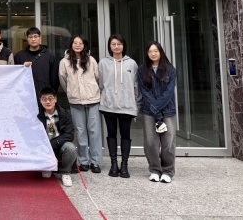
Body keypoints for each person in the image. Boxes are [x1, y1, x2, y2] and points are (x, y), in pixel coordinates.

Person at [59, 34, 102, 173]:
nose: (77, 45)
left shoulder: (91, 60)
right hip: (76, 101)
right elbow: (63, 80)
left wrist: (92, 90)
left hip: (93, 99)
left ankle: (95, 161)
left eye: (80, 43)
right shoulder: (65, 62)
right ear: (71, 44)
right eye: (75, 43)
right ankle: (83, 161)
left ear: (84, 45)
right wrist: (71, 92)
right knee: (80, 131)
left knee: (94, 131)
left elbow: (97, 78)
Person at [99, 34, 140, 178]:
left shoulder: (132, 63)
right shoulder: (103, 63)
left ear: (124, 45)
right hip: (109, 105)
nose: (116, 46)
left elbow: (136, 86)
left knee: (125, 135)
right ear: (109, 46)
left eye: (119, 44)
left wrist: (136, 105)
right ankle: (113, 164)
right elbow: (101, 84)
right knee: (111, 134)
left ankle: (124, 165)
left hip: (127, 106)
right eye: (113, 44)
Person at [138, 41, 177, 183]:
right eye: (150, 51)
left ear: (160, 52)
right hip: (149, 110)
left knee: (168, 142)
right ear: (147, 54)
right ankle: (154, 170)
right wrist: (154, 107)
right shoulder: (142, 70)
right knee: (150, 142)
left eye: (155, 51)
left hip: (167, 110)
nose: (153, 54)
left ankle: (168, 171)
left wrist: (157, 107)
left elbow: (169, 92)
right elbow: (144, 91)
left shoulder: (170, 69)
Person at [37, 87, 76, 187]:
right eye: (44, 99)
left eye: (50, 98)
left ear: (55, 99)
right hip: (44, 148)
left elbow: (69, 134)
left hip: (59, 146)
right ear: (40, 101)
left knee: (71, 148)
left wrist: (54, 143)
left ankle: (65, 172)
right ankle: (47, 167)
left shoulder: (64, 113)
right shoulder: (37, 115)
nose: (48, 102)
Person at [14, 27, 58, 103]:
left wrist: (51, 94)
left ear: (40, 38)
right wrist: (22, 67)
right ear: (27, 39)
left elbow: (54, 79)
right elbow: (15, 77)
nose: (33, 39)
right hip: (25, 97)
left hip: (45, 97)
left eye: (35, 36)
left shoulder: (49, 57)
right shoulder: (19, 56)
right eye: (30, 37)